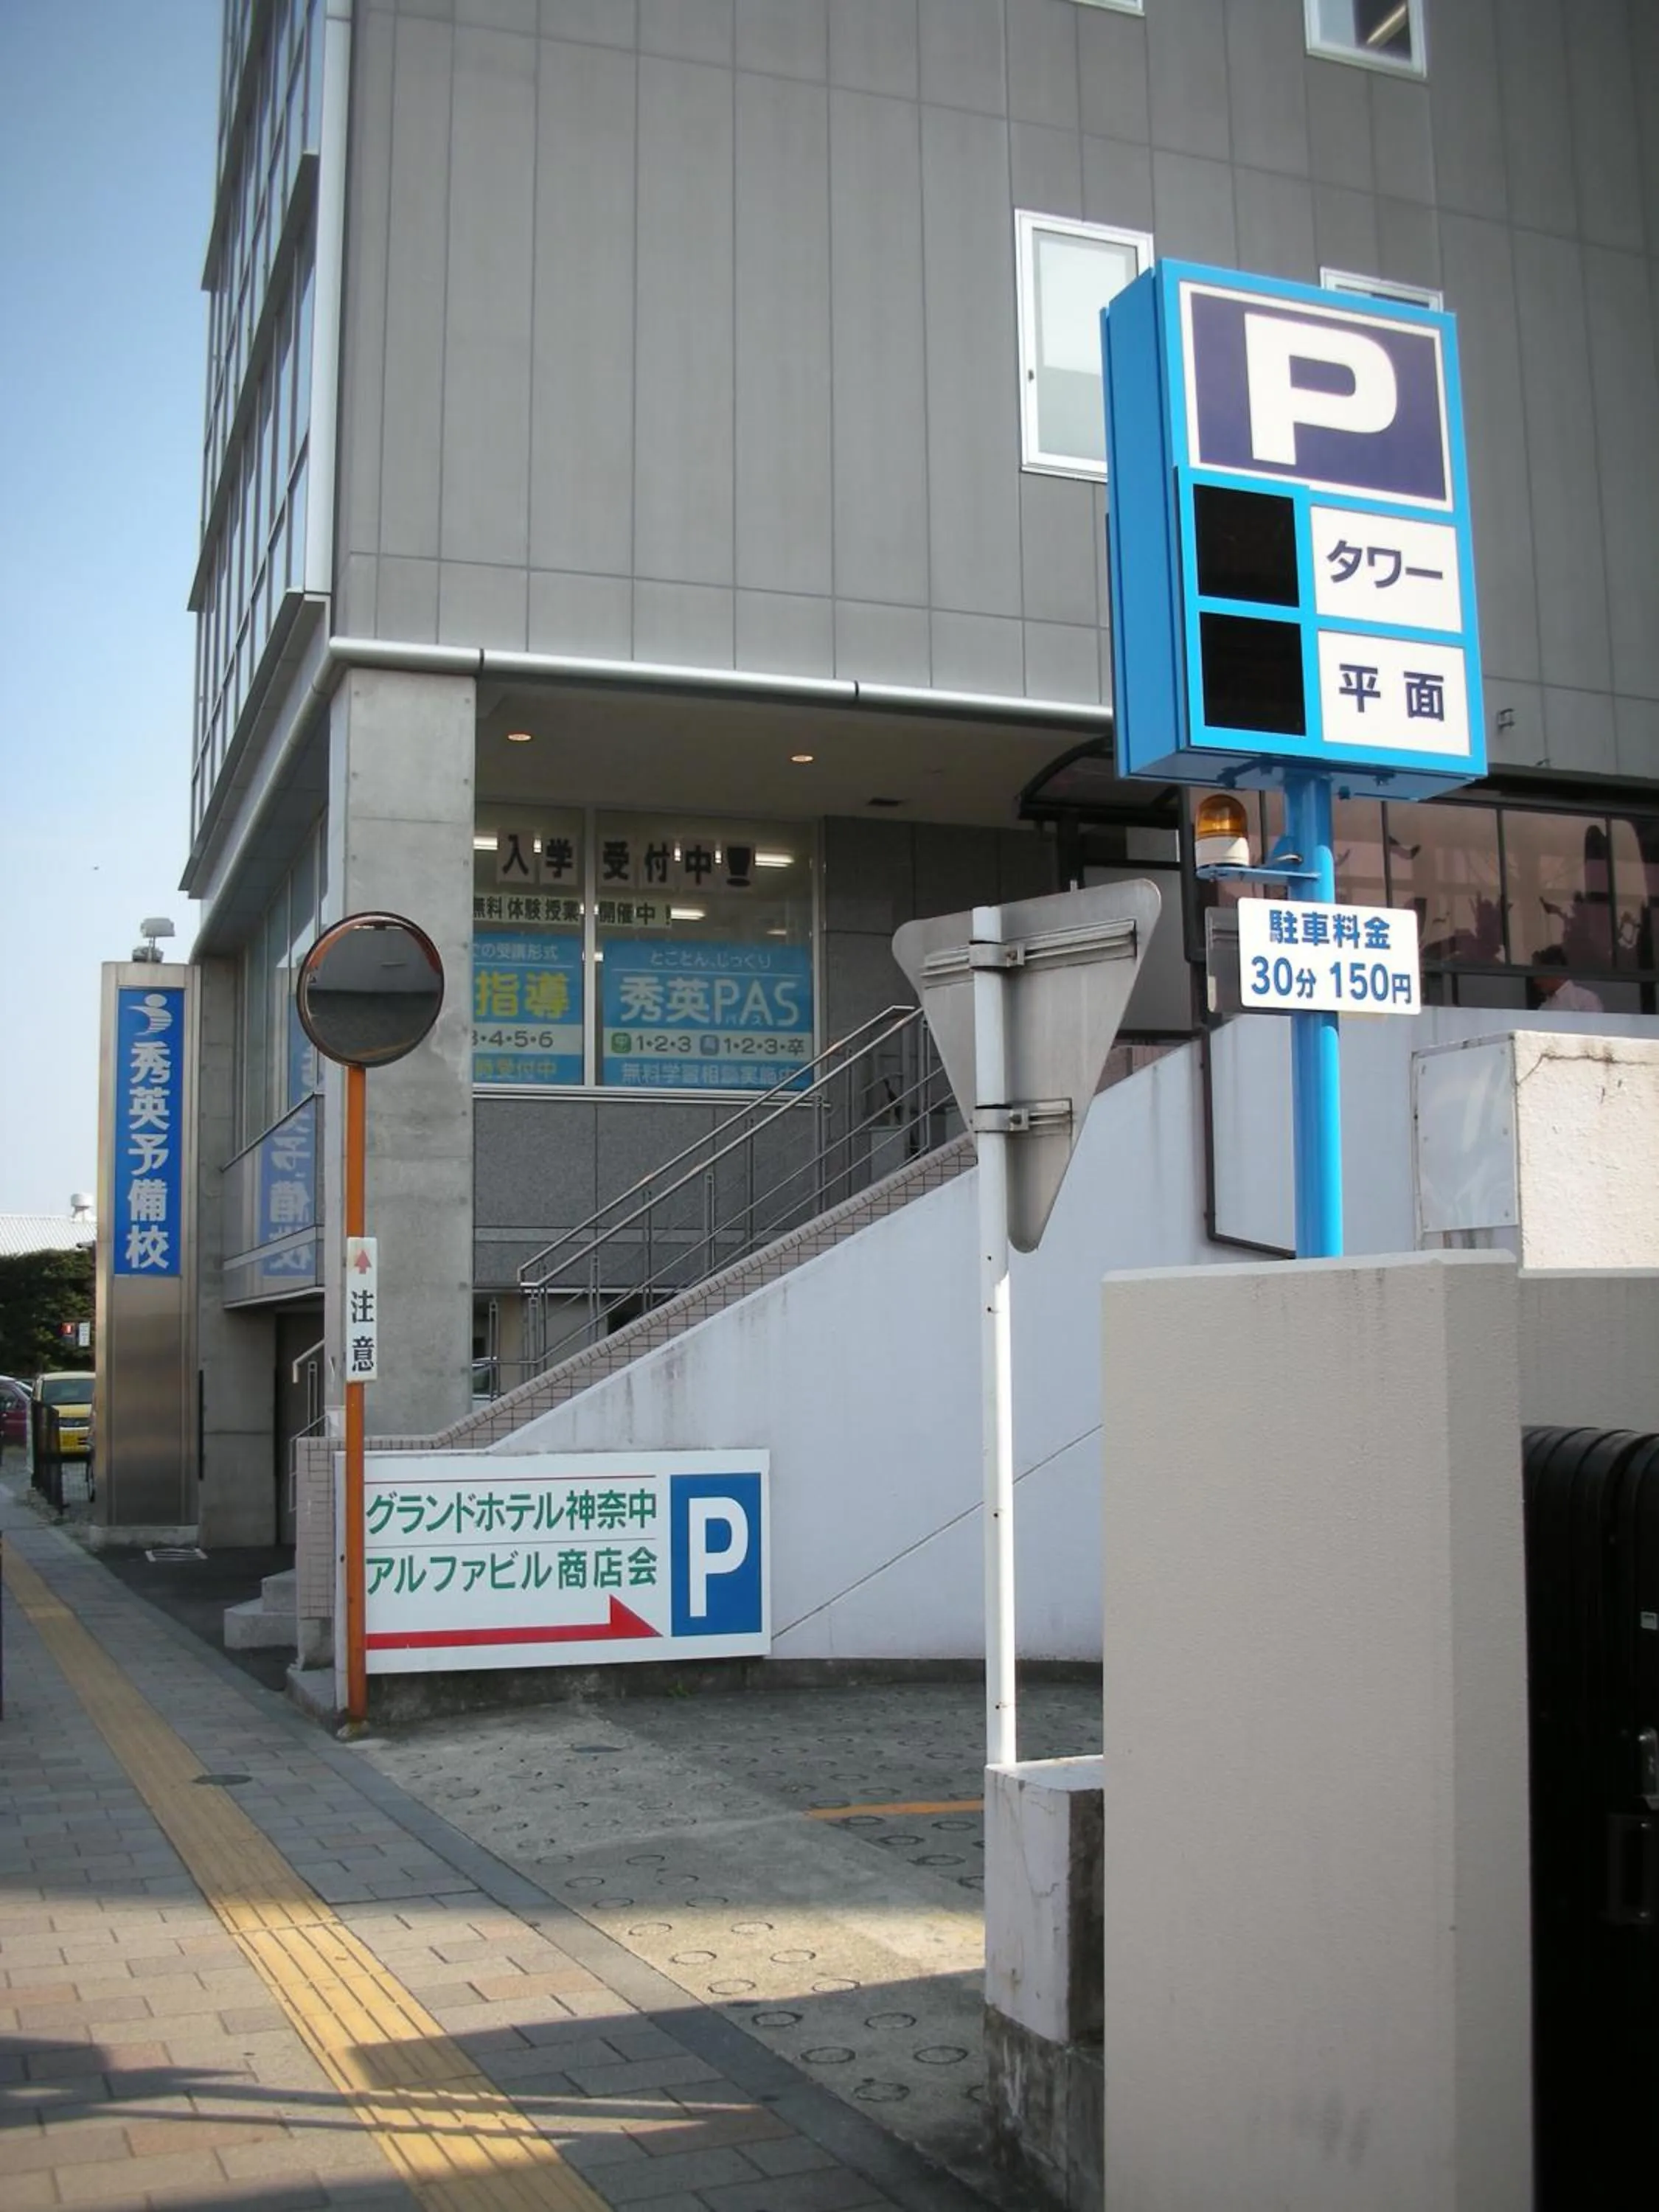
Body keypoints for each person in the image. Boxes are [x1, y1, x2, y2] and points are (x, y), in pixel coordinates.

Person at [1531, 945, 1604, 1012]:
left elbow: (1594, 1025)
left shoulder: (1586, 1000)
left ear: (1555, 972)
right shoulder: (1544, 1008)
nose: (1536, 981)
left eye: (1541, 975)